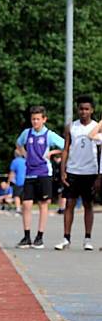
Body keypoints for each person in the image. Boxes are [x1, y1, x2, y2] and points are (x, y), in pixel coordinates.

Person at [15, 105, 64, 249]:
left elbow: (65, 145)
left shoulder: (49, 134)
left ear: (44, 119)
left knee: (43, 204)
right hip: (29, 173)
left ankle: (39, 237)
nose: (35, 122)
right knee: (26, 204)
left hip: (44, 173)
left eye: (38, 119)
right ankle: (26, 236)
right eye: (33, 119)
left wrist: (52, 152)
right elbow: (18, 144)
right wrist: (24, 153)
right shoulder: (27, 133)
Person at [55, 96, 98, 251]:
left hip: (90, 171)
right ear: (77, 110)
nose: (83, 112)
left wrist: (99, 174)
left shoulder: (96, 127)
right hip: (73, 170)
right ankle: (66, 238)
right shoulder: (71, 127)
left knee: (88, 205)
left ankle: (88, 238)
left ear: (92, 110)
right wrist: (63, 170)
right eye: (81, 109)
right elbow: (66, 149)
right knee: (69, 204)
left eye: (87, 109)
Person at [7, 149, 26, 214]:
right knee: (24, 196)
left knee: (16, 195)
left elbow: (12, 172)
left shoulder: (15, 161)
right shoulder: (25, 161)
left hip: (18, 181)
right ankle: (25, 209)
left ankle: (18, 208)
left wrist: (9, 181)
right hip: (26, 180)